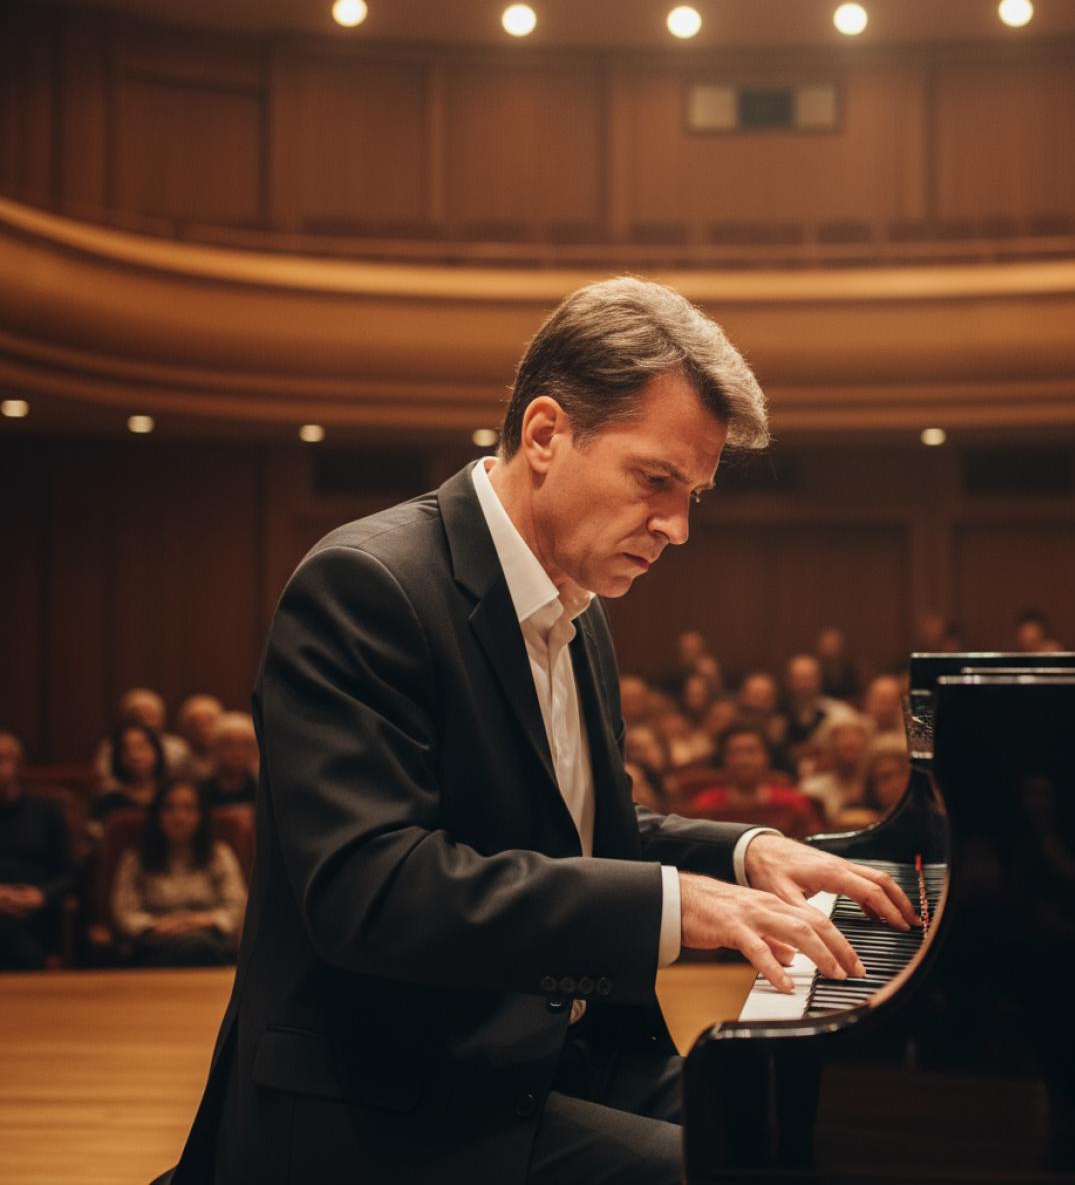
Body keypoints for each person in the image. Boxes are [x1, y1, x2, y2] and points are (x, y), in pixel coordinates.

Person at [166, 276, 914, 1185]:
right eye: (656, 480)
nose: (678, 527)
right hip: (391, 1103)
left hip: (548, 1057)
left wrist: (743, 853)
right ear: (548, 434)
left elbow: (582, 836)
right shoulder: (366, 586)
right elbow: (372, 890)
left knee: (824, 1141)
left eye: (694, 494)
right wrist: (678, 906)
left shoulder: (578, 603)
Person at [111, 781, 246, 967]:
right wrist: (157, 925)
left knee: (198, 946)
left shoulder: (220, 855)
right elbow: (124, 912)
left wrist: (199, 921)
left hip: (209, 939)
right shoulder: (135, 859)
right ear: (157, 814)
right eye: (169, 808)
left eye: (188, 808)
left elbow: (235, 907)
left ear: (201, 815)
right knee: (190, 948)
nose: (179, 816)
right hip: (153, 943)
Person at [0, 731, 74, 970]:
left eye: (2, 759)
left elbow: (69, 872)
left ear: (18, 765)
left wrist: (42, 895)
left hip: (36, 912)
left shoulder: (47, 813)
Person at [691, 725, 823, 838]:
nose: (744, 761)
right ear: (724, 759)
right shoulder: (706, 805)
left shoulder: (792, 802)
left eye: (751, 751)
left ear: (767, 757)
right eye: (735, 753)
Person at [94, 688, 194, 789]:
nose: (145, 721)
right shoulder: (112, 745)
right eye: (138, 716)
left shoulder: (177, 747)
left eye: (150, 715)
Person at [89, 721, 169, 827]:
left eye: (141, 747)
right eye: (125, 750)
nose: (134, 755)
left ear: (156, 750)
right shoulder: (106, 802)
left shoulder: (172, 796)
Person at [198, 711, 258, 810]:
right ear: (215, 748)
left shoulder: (262, 790)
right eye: (229, 745)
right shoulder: (201, 791)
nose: (238, 753)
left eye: (245, 745)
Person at [176, 694, 225, 783]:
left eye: (209, 723)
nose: (203, 730)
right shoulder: (179, 764)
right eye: (196, 724)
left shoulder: (228, 762)